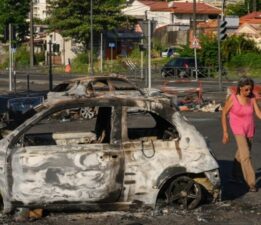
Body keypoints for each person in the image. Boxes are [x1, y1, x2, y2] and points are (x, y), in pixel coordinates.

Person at [222, 76, 261, 192]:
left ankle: (234, 175)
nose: (249, 92)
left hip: (249, 129)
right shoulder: (233, 98)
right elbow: (224, 114)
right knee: (246, 155)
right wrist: (225, 132)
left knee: (241, 154)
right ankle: (251, 183)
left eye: (250, 89)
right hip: (238, 129)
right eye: (246, 90)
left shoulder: (252, 98)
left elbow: (258, 113)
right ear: (240, 88)